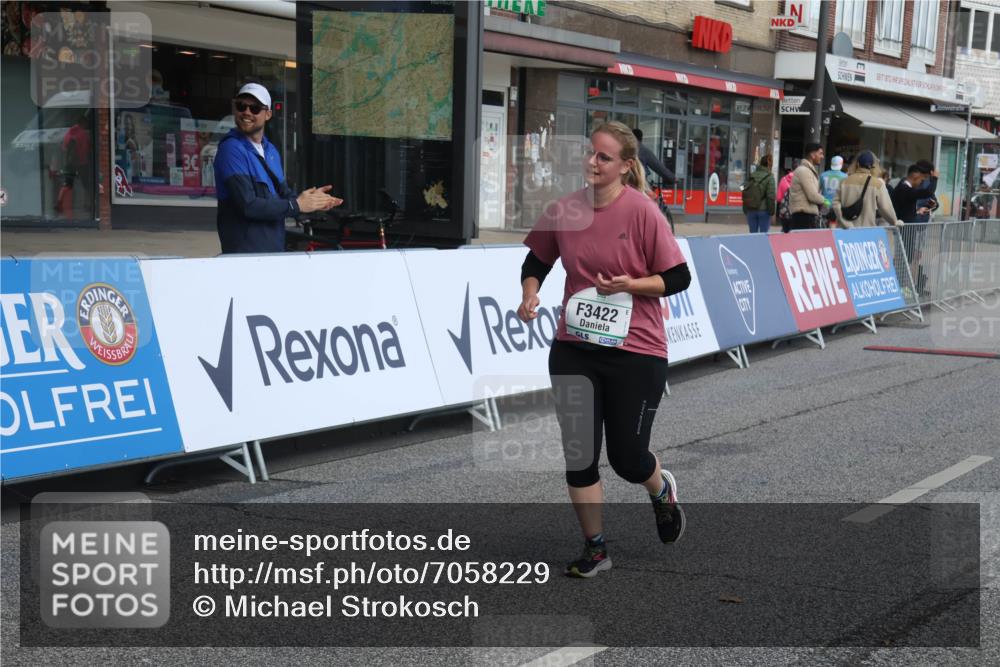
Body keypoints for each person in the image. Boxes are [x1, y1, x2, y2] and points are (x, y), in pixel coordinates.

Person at [517, 121, 691, 578]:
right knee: (580, 454)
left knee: (628, 458)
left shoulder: (643, 212)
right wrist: (530, 292)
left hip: (637, 349)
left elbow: (678, 278)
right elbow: (536, 260)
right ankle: (595, 549)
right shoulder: (564, 209)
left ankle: (660, 491)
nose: (592, 163)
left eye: (604, 158)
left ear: (626, 167)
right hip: (575, 347)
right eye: (591, 154)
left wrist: (630, 284)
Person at [214, 83, 342, 253]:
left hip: (272, 251)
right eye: (241, 106)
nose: (246, 112)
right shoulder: (231, 149)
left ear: (268, 114)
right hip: (245, 256)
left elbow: (284, 194)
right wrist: (296, 205)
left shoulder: (271, 150)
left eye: (255, 108)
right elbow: (248, 205)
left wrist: (312, 202)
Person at [832, 151, 900, 229]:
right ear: (871, 167)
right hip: (866, 231)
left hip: (845, 230)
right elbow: (885, 207)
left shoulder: (844, 181)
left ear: (857, 164)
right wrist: (894, 221)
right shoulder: (877, 184)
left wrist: (844, 221)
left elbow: (835, 203)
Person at [789, 143, 829, 230]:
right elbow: (812, 196)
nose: (822, 156)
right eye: (820, 153)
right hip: (803, 217)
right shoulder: (804, 171)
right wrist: (827, 202)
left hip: (806, 216)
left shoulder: (808, 170)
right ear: (812, 154)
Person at [742, 154, 776, 233]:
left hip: (751, 209)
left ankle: (753, 246)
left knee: (753, 236)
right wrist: (771, 211)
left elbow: (742, 188)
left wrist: (745, 207)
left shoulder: (751, 175)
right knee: (764, 236)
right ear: (769, 165)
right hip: (763, 211)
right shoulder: (770, 177)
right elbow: (770, 196)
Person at [776, 167, 795, 233]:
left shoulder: (783, 180)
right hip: (794, 211)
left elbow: (778, 198)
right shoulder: (797, 180)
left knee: (784, 230)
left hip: (784, 211)